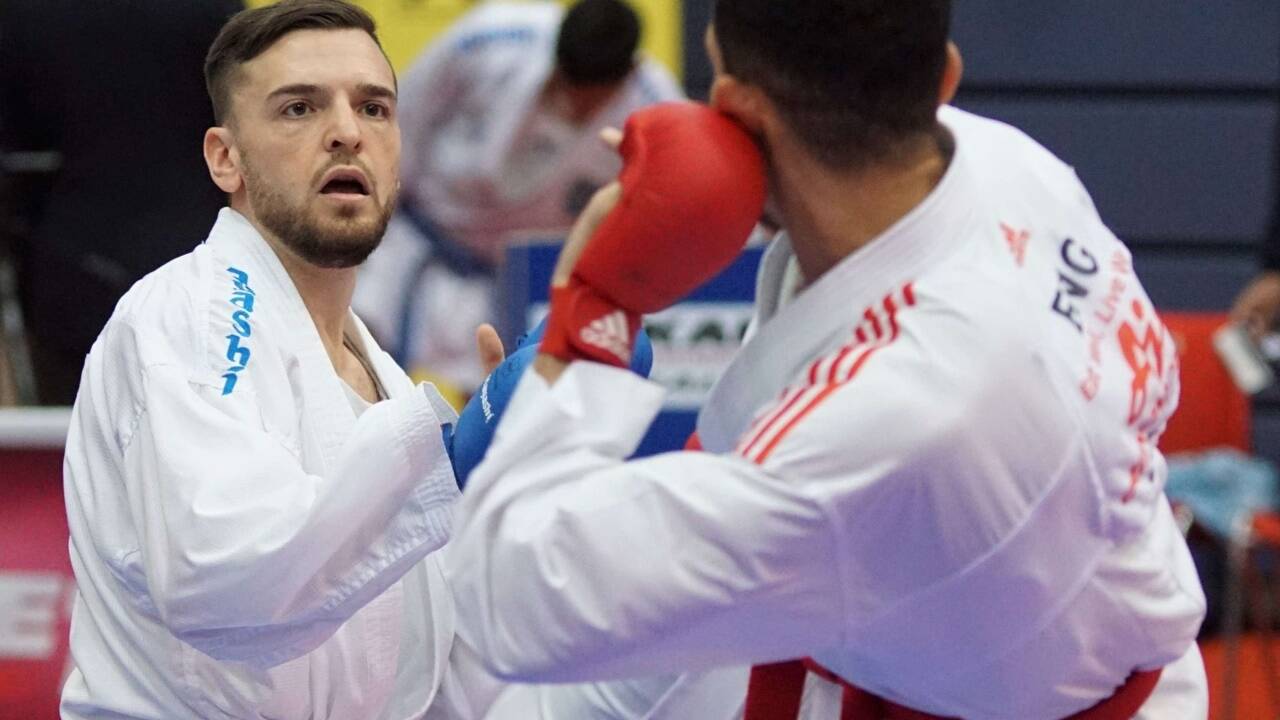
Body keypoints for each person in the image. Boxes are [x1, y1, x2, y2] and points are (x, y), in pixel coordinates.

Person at [444, 1, 1209, 718]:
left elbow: (511, 601)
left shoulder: (898, 420)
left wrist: (595, 306)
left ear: (739, 111)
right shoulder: (1012, 163)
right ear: (942, 76)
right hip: (1015, 625)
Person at [60, 3, 487, 717]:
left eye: (374, 108)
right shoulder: (188, 313)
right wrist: (440, 452)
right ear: (225, 157)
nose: (348, 131)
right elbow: (223, 580)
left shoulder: (371, 360)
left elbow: (425, 662)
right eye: (299, 108)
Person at [352, 0, 682, 401]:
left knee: (499, 406)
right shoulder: (489, 40)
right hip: (418, 244)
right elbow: (399, 120)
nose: (574, 104)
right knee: (361, 373)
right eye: (567, 85)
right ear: (555, 52)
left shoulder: (655, 113)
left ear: (628, 75)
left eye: (590, 98)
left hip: (523, 277)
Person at [0, 0, 240, 405]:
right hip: (206, 256)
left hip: (74, 264)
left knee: (84, 439)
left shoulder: (24, 15)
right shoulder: (218, 11)